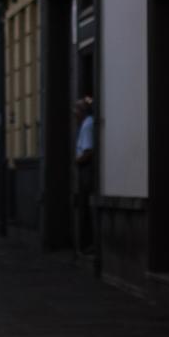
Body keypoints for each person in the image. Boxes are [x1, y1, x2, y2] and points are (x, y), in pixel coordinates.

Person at [74, 96, 95, 254]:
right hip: (85, 168)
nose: (75, 113)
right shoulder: (86, 124)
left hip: (86, 168)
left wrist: (77, 161)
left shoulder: (87, 125)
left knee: (86, 204)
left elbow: (88, 152)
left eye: (77, 109)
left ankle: (87, 244)